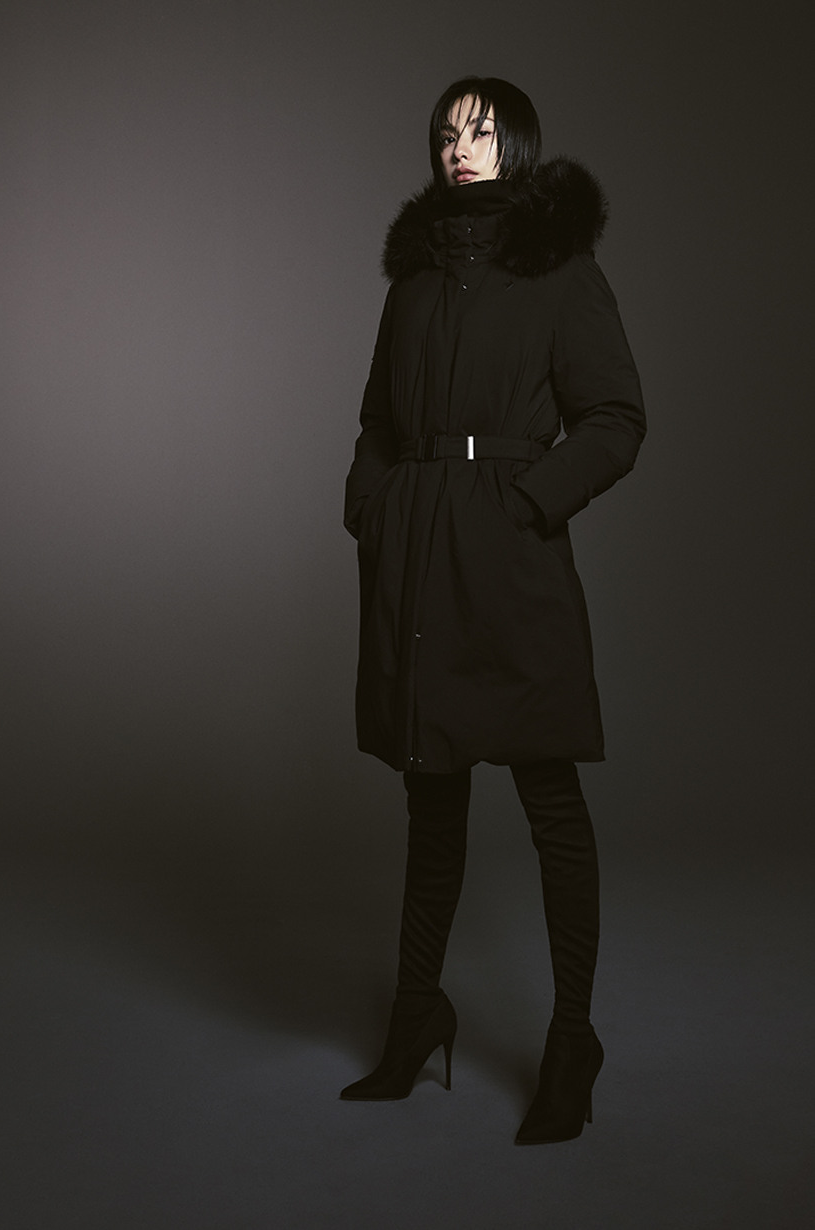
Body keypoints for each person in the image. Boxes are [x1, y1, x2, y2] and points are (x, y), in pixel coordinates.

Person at [340, 76, 645, 1145]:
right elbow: (378, 421)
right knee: (432, 801)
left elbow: (615, 417)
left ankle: (572, 1041)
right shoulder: (414, 284)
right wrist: (371, 506)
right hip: (419, 561)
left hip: (510, 562)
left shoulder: (560, 269)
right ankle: (417, 1016)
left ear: (516, 143)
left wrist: (528, 501)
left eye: (480, 130)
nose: (459, 146)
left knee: (550, 803)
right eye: (446, 132)